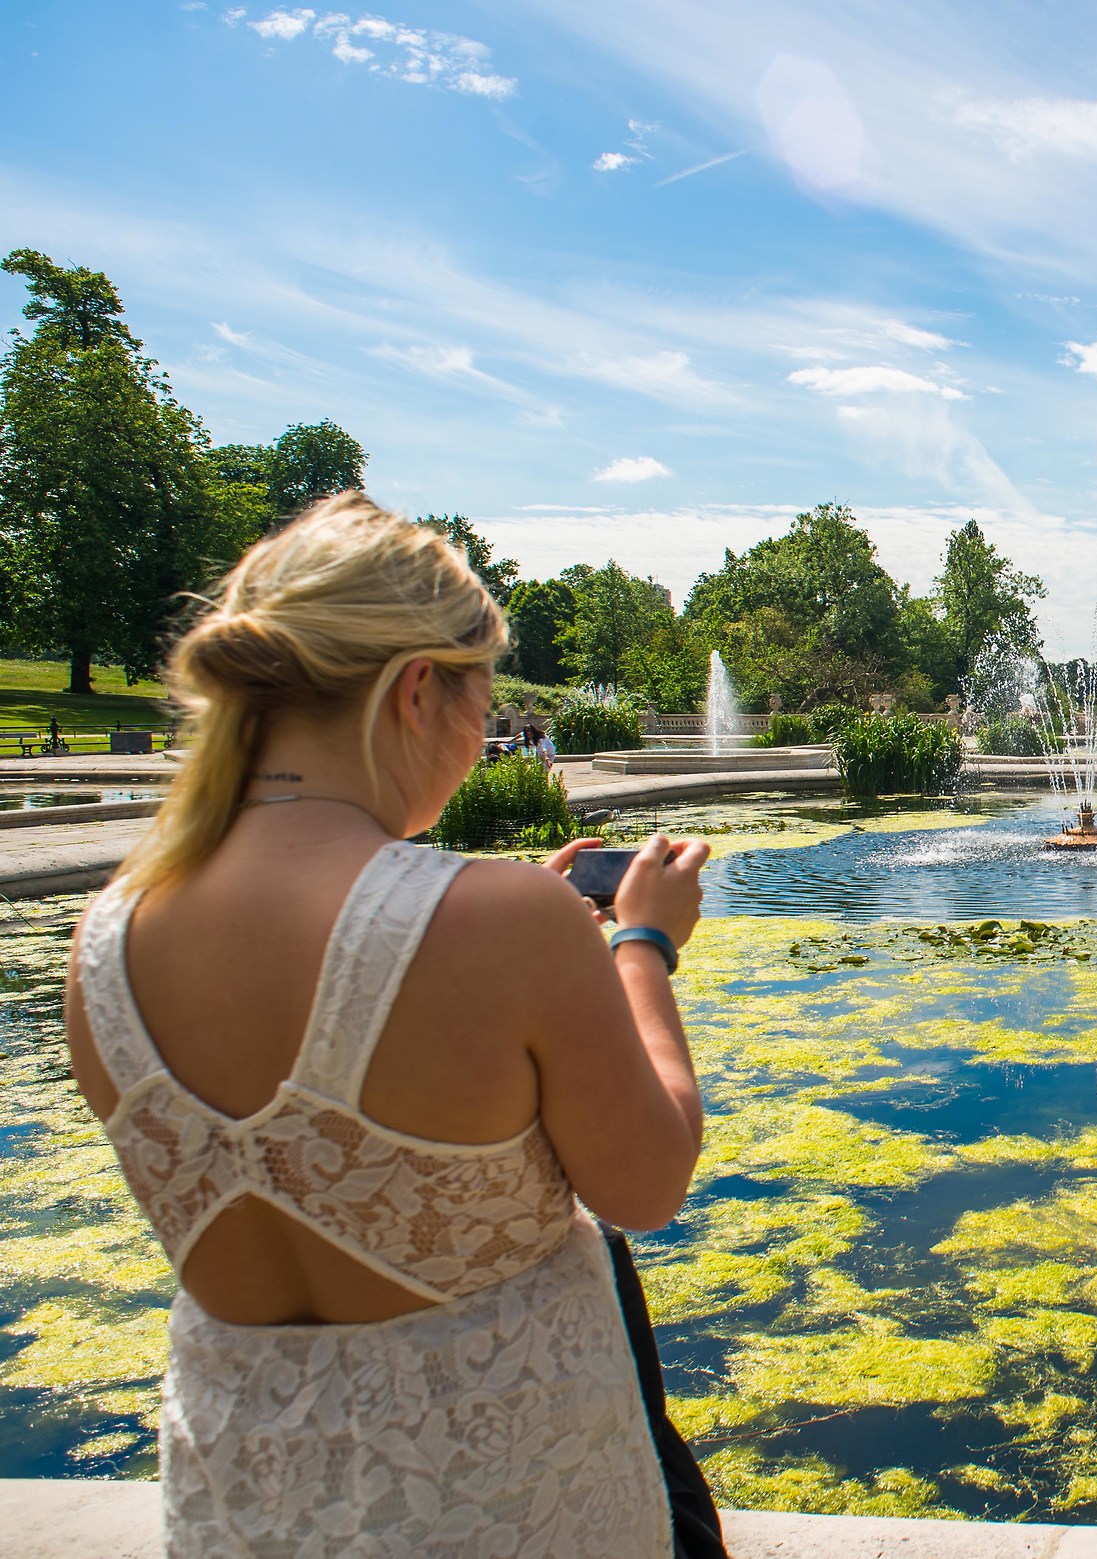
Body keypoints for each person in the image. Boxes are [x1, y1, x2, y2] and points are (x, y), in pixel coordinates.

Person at [63, 494, 720, 1557]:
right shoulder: (507, 918)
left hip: (246, 1508)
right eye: (481, 696)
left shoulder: (108, 930)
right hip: (511, 1503)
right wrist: (640, 945)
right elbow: (647, 1186)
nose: (481, 732)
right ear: (418, 689)